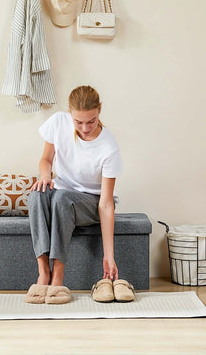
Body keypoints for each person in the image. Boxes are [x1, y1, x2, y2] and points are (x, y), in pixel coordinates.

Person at [24, 85, 123, 304]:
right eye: (78, 122)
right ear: (70, 113)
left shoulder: (108, 146)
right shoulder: (58, 122)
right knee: (36, 195)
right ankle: (43, 273)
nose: (85, 128)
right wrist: (45, 176)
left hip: (91, 202)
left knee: (61, 198)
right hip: (63, 192)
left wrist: (109, 256)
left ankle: (58, 277)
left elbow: (106, 204)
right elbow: (46, 160)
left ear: (99, 111)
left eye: (92, 121)